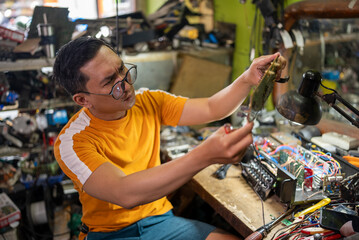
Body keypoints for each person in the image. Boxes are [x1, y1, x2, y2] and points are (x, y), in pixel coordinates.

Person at [52, 36, 285, 240]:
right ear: (82, 100)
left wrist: (247, 78)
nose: (125, 85)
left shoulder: (148, 102)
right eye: (109, 82)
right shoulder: (72, 142)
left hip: (160, 221)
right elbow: (124, 193)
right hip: (110, 233)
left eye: (122, 70)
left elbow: (212, 108)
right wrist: (203, 156)